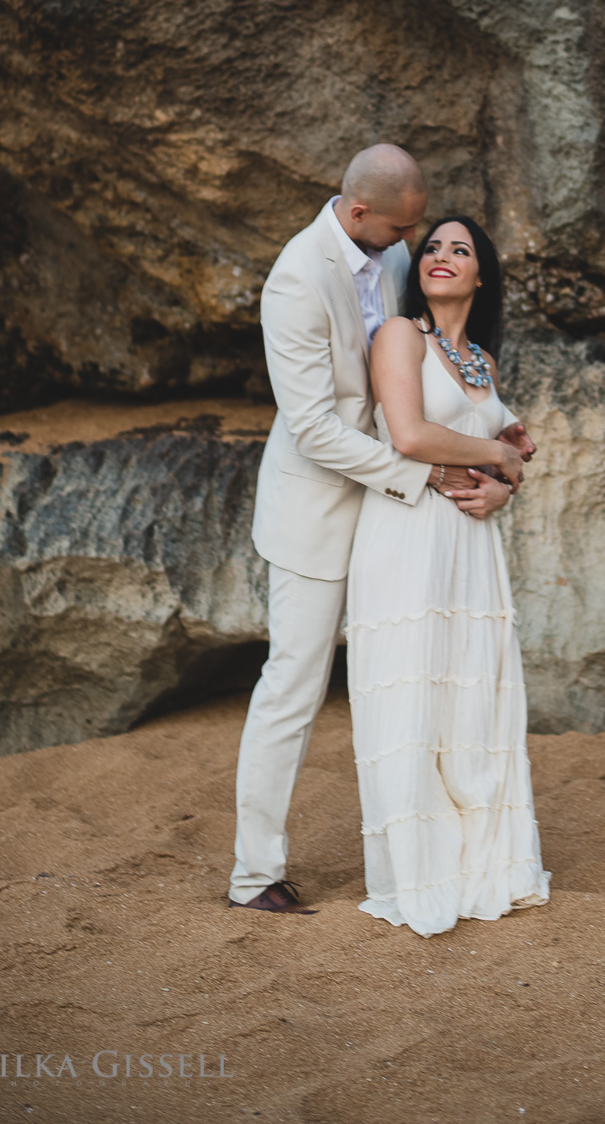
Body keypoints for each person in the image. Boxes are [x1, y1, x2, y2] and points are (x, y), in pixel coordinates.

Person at [229, 147, 531, 913]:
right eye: (408, 227)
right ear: (359, 212)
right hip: (324, 511)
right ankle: (253, 874)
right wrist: (428, 472)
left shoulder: (391, 251)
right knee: (293, 689)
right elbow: (315, 429)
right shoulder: (296, 280)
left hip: (408, 518)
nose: (421, 241)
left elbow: (436, 371)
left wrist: (494, 468)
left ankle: (446, 849)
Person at [346, 213, 551, 936]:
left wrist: (506, 480)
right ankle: (418, 872)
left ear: (480, 275)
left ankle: (481, 867)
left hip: (470, 545)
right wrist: (499, 458)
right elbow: (409, 434)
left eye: (459, 250)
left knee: (472, 699)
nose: (440, 256)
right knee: (412, 698)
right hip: (405, 536)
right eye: (431, 246)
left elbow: (508, 448)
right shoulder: (400, 336)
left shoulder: (484, 363)